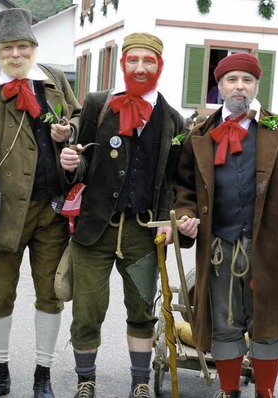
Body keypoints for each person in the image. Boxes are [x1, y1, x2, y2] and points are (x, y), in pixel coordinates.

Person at [0, 8, 81, 398]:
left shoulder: (54, 81)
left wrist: (68, 131)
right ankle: (0, 371)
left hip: (52, 210)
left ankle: (43, 375)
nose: (16, 54)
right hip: (3, 211)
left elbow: (78, 118)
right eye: (8, 47)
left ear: (33, 48)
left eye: (23, 46)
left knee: (51, 294)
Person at [173, 53, 278, 398]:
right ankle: (229, 391)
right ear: (219, 86)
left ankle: (265, 391)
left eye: (247, 80)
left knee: (267, 325)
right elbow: (184, 188)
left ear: (256, 85)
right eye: (232, 79)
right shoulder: (200, 134)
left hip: (269, 247)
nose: (240, 86)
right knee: (224, 323)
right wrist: (185, 216)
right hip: (219, 248)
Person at [59, 32, 183, 398]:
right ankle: (86, 380)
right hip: (94, 228)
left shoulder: (172, 118)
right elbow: (83, 158)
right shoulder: (98, 103)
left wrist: (170, 218)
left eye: (149, 61)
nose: (140, 68)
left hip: (142, 232)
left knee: (143, 311)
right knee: (86, 311)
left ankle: (140, 383)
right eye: (133, 60)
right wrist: (71, 162)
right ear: (123, 63)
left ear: (159, 66)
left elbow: (176, 179)